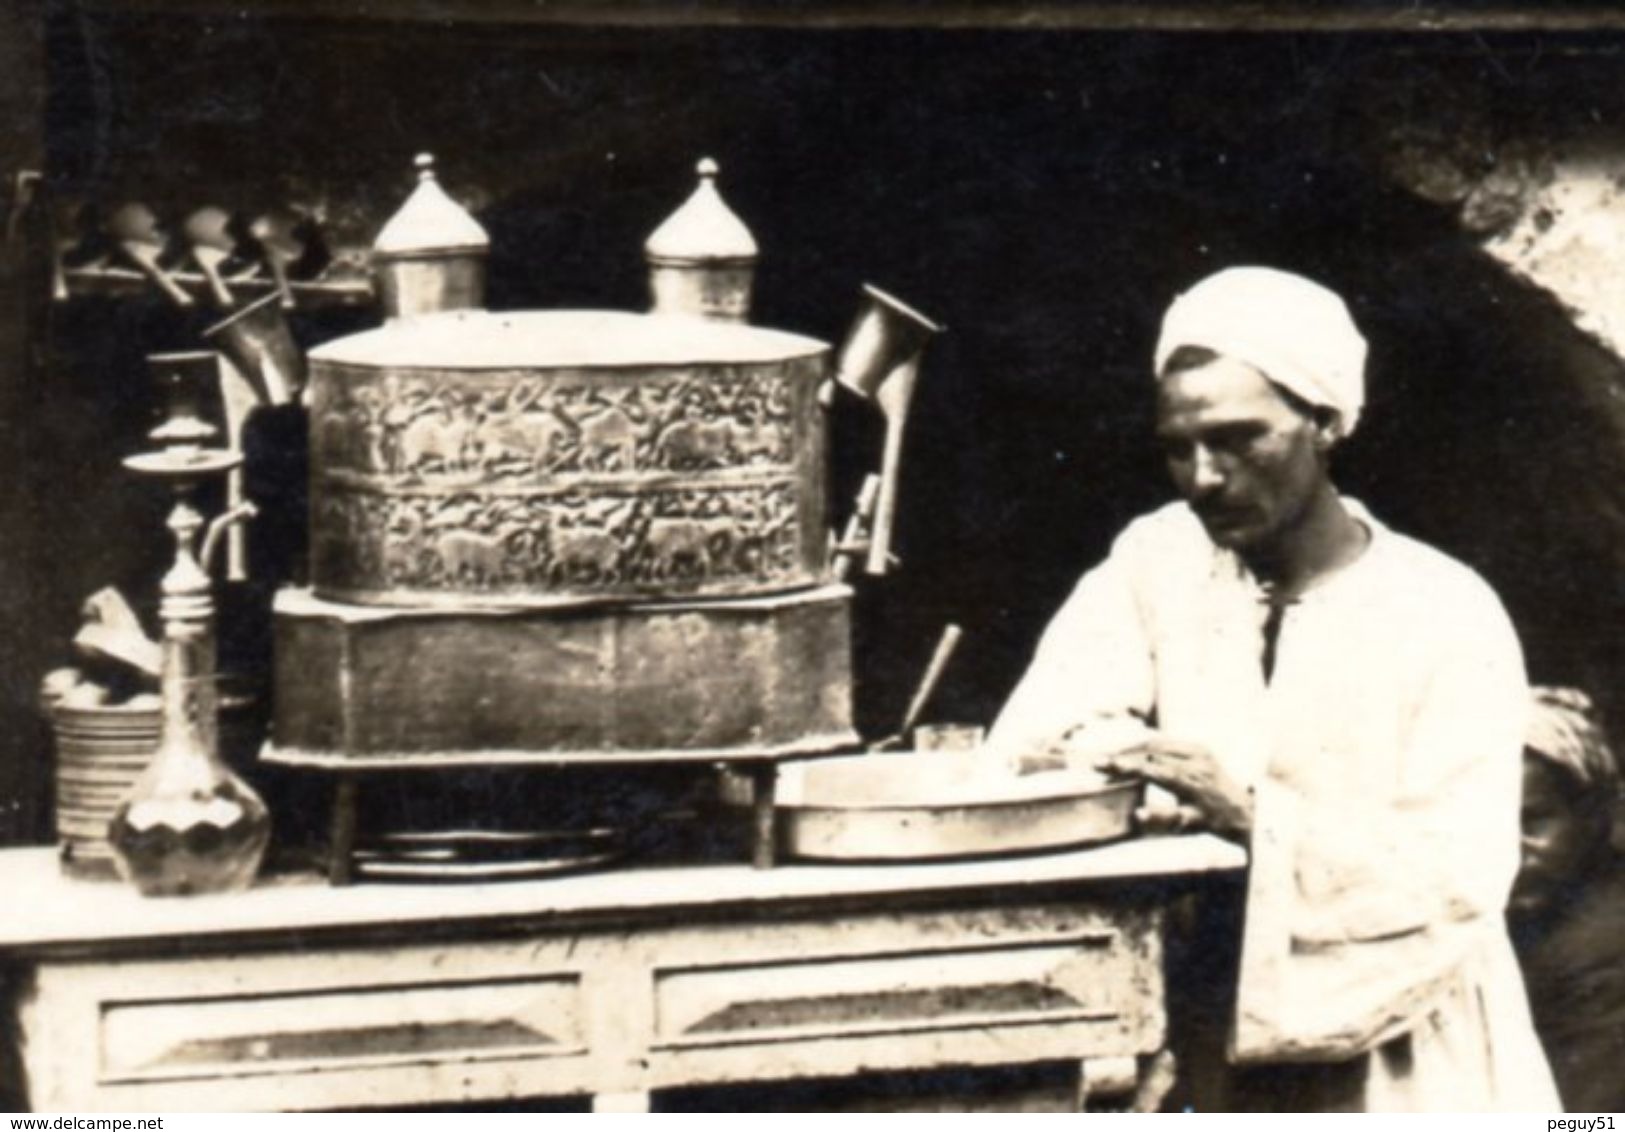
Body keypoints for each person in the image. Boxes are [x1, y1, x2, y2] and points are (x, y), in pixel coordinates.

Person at [986, 265, 1557, 1111]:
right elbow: (1036, 741)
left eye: (1237, 439)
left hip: (1396, 1043)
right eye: (1178, 448)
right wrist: (1128, 763)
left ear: (1323, 421)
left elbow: (1457, 876)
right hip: (1201, 1027)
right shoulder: (1157, 560)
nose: (1204, 477)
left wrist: (1251, 814)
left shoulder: (1442, 610)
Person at [1509, 687, 1625, 1113]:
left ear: (1592, 815)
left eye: (1532, 821)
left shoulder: (1606, 952)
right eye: (1485, 819)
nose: (1507, 847)